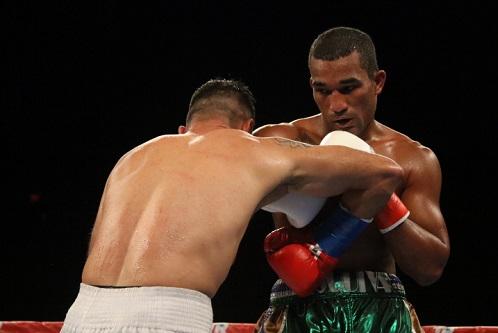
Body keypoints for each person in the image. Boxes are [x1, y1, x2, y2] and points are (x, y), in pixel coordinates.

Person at [60, 78, 405, 333]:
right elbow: (384, 171)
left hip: (81, 311)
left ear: (185, 127)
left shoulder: (134, 156)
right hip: (166, 315)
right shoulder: (251, 150)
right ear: (247, 127)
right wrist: (324, 248)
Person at [254, 27, 450, 333]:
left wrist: (380, 190)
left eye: (348, 88)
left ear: (378, 82)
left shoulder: (411, 158)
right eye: (323, 90)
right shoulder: (282, 141)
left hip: (381, 313)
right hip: (297, 310)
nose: (336, 105)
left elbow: (430, 268)